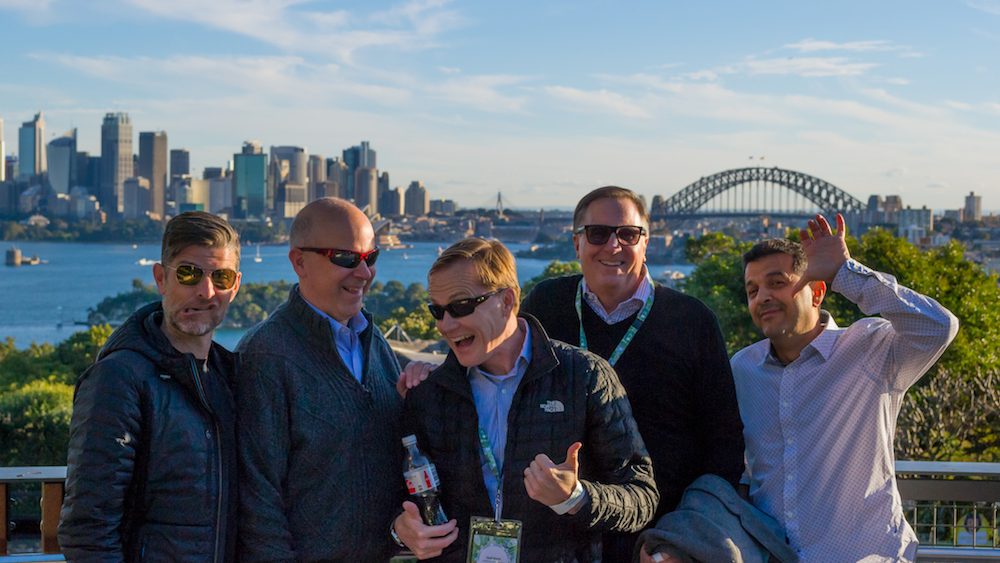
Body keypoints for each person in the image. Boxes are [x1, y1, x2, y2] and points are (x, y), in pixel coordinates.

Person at [393, 237, 659, 562]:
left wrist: (574, 497)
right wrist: (401, 528)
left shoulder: (585, 376)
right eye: (437, 310)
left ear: (507, 300)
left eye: (461, 306)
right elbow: (395, 496)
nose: (445, 325)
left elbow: (642, 497)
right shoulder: (428, 393)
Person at [521, 185, 745, 561]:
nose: (613, 246)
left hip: (656, 542)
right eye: (598, 233)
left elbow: (723, 443)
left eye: (628, 234)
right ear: (577, 244)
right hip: (555, 535)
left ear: (647, 243)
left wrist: (681, 539)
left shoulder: (692, 320)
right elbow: (497, 373)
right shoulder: (545, 305)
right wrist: (425, 375)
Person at [731, 213, 959, 562]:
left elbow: (938, 328)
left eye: (777, 283)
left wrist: (845, 272)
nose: (762, 297)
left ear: (818, 292)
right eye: (752, 290)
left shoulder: (870, 348)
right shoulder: (742, 369)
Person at [58, 211, 243, 561]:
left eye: (221, 276)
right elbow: (88, 527)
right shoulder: (119, 379)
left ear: (234, 286)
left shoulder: (232, 377)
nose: (205, 291)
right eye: (188, 274)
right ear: (161, 278)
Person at [236, 197, 404, 561]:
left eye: (370, 257)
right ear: (299, 261)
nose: (364, 273)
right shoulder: (266, 357)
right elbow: (257, 501)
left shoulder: (376, 347)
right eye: (345, 258)